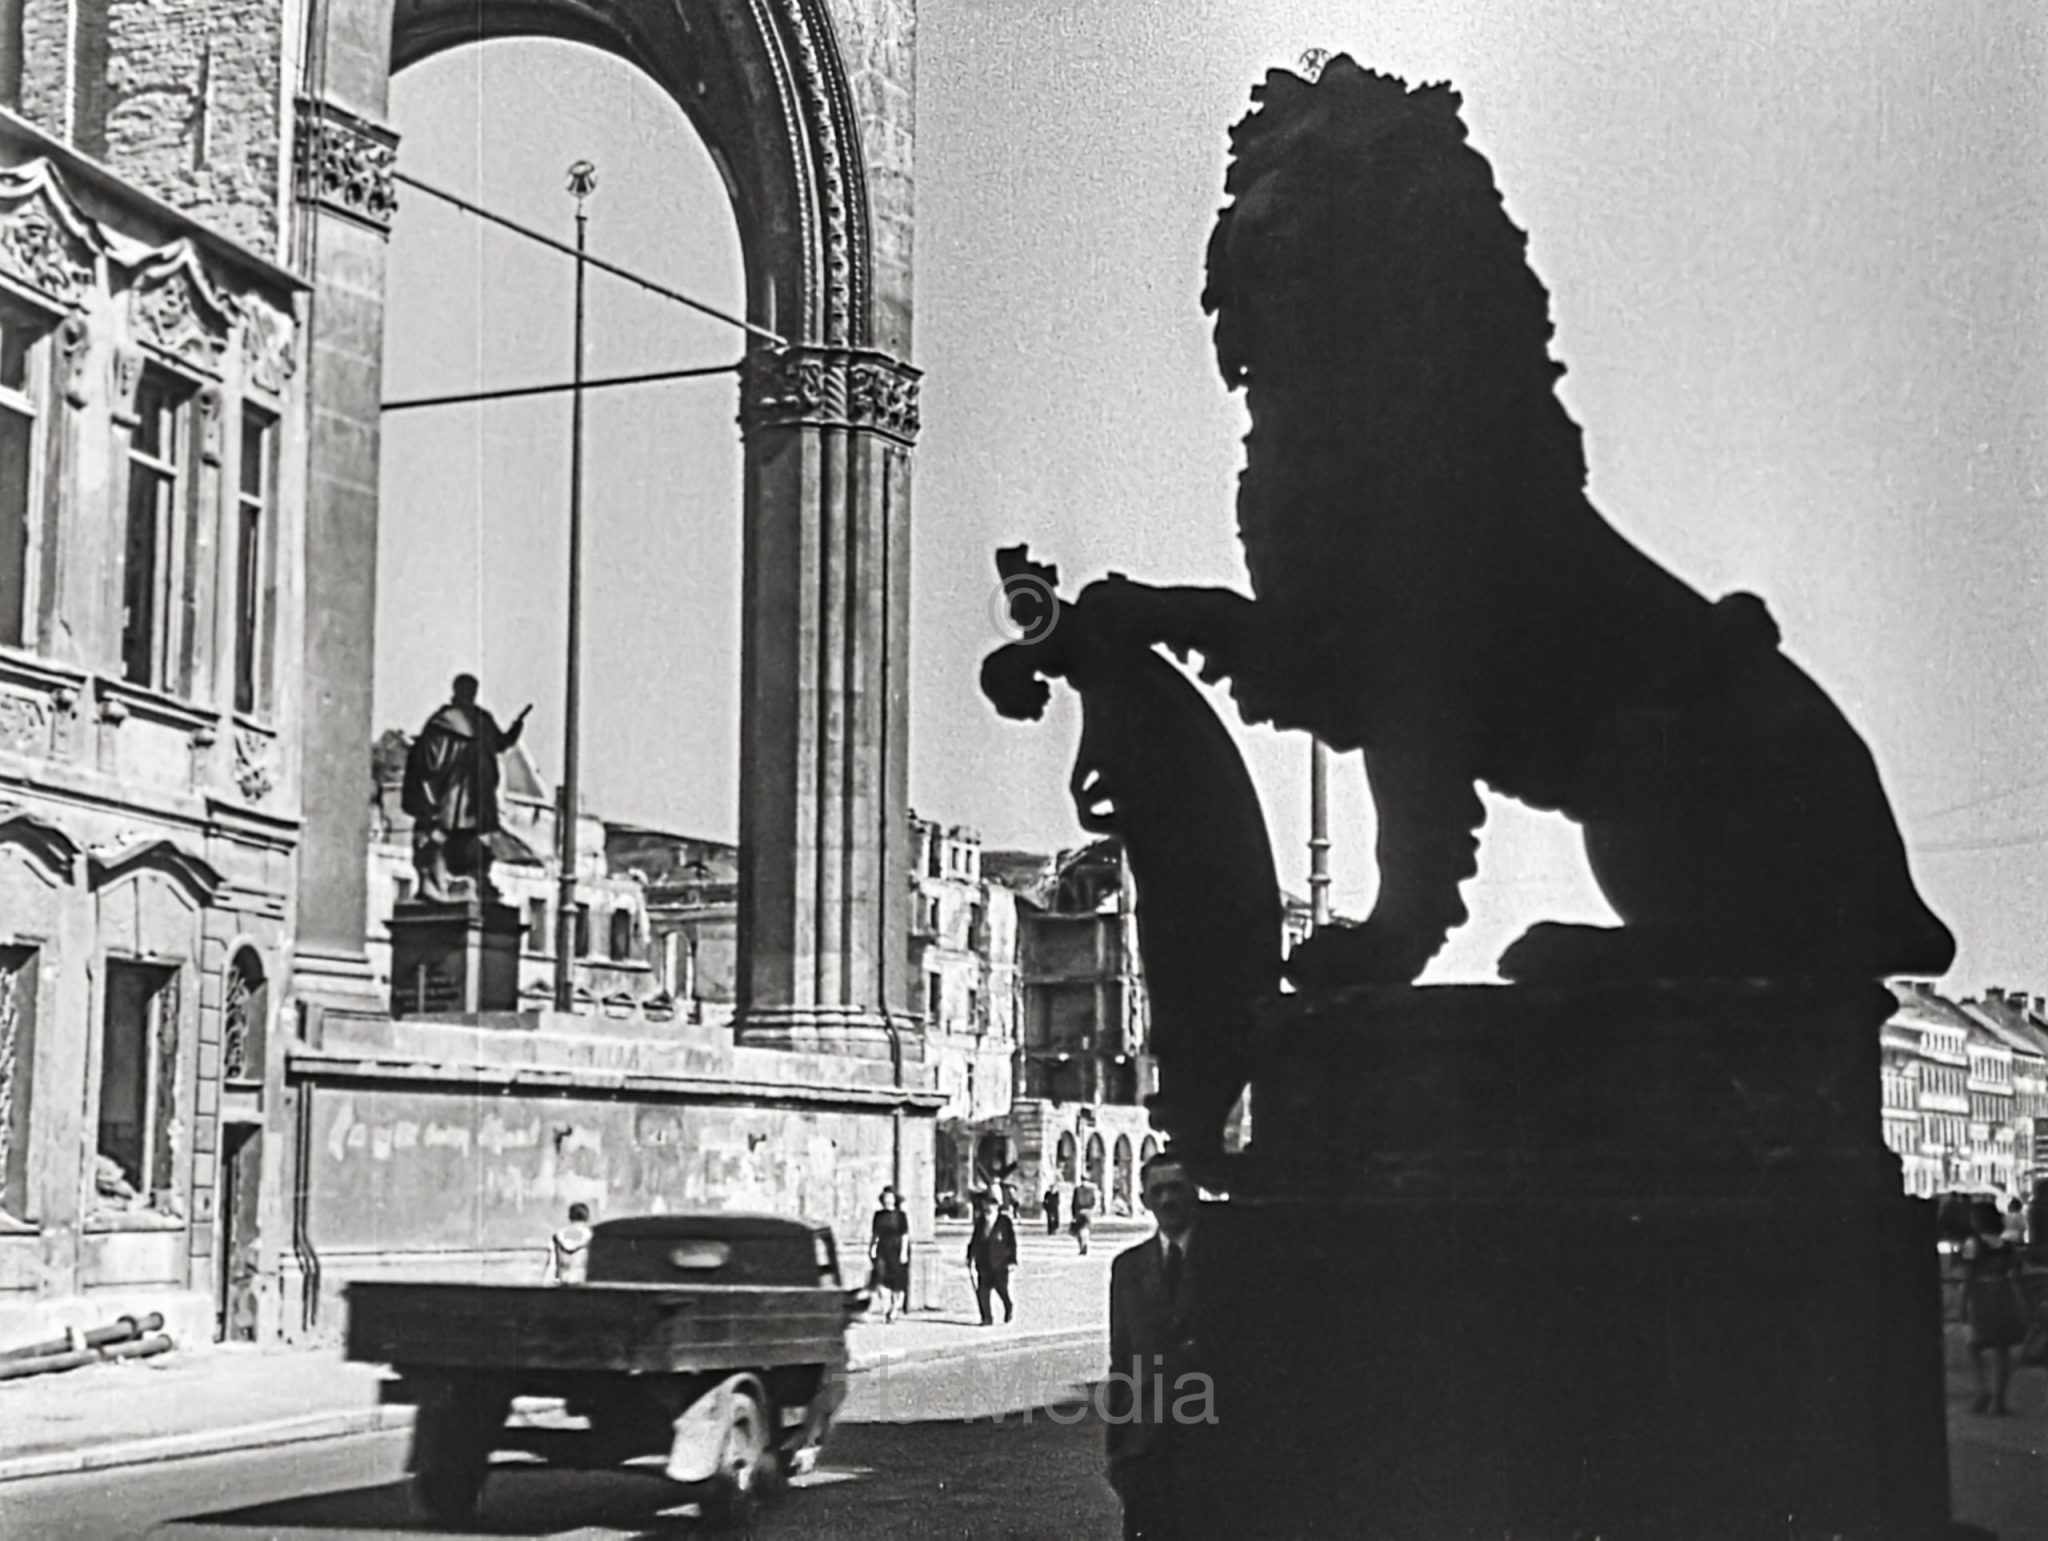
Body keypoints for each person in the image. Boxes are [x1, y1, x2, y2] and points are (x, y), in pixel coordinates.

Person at [1107, 1152, 1203, 1540]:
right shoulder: (1128, 1267)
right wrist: (1116, 1450)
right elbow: (1122, 1361)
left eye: (1177, 1188)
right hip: (1146, 1447)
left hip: (1212, 1446)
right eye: (1157, 1190)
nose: (1167, 1200)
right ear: (1144, 1199)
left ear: (1194, 1192)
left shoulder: (1223, 1261)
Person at [402, 673, 531, 902]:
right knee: (460, 837)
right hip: (472, 795)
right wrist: (514, 731)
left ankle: (454, 882)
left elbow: (427, 760)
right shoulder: (480, 720)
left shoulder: (442, 721)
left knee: (454, 837)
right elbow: (501, 743)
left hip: (456, 795)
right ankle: (458, 882)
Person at [1962, 1199, 2028, 1415]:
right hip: (2003, 1295)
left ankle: (1981, 1391)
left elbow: (1968, 1277)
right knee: (2002, 1349)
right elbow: (2016, 1272)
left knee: (1974, 1346)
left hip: (1980, 1297)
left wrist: (1962, 1304)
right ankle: (1998, 1401)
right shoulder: (2007, 1247)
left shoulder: (1973, 1244)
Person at [968, 1193, 1020, 1325]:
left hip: (1000, 1263)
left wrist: (1012, 1260)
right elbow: (974, 1240)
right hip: (984, 1262)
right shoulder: (980, 1221)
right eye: (986, 1204)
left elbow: (1011, 1242)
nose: (988, 1207)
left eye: (991, 1205)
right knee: (983, 1292)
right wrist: (970, 1256)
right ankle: (987, 1318)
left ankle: (1008, 1307)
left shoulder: (1004, 1222)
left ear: (997, 1207)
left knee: (1001, 1289)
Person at [868, 1187, 911, 1323]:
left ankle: (894, 1309)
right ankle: (885, 1307)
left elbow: (904, 1235)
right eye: (885, 1198)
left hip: (897, 1249)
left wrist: (904, 1253)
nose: (887, 1200)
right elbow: (875, 1234)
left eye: (890, 1197)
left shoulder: (900, 1215)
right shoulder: (878, 1215)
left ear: (894, 1199)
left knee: (896, 1282)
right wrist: (872, 1247)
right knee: (881, 1279)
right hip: (883, 1249)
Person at [545, 1202, 593, 1285]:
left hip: (562, 1284)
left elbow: (552, 1265)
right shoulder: (591, 1237)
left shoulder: (557, 1237)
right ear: (587, 1217)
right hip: (583, 1285)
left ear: (569, 1216)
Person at [1071, 1178, 1097, 1255]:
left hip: (1079, 1211)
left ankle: (1082, 1246)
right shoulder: (1091, 1190)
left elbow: (1074, 1202)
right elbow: (1094, 1201)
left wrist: (1073, 1214)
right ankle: (1085, 1243)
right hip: (1088, 1211)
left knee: (1080, 1230)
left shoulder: (1077, 1190)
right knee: (1086, 1229)